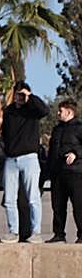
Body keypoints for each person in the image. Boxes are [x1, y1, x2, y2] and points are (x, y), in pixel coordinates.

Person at [0, 81, 49, 243]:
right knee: (9, 199)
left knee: (33, 196)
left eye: (23, 94)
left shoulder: (33, 110)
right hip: (11, 159)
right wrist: (7, 150)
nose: (20, 97)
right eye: (18, 94)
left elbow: (44, 110)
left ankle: (36, 232)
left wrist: (30, 97)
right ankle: (13, 231)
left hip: (29, 158)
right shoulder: (9, 111)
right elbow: (5, 133)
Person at [47, 99, 82, 243]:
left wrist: (76, 153)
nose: (58, 113)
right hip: (57, 174)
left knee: (79, 206)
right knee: (58, 206)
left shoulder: (79, 127)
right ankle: (59, 234)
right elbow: (51, 152)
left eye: (60, 111)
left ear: (69, 112)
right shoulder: (57, 129)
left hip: (75, 173)